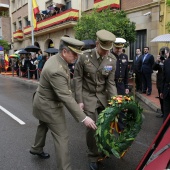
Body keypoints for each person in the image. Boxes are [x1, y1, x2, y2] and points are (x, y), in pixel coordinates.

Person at [30, 36, 97, 170]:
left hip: (42, 101)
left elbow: (66, 87)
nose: (77, 57)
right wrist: (84, 117)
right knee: (62, 137)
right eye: (74, 54)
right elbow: (65, 96)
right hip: (49, 106)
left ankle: (36, 148)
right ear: (65, 51)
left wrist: (79, 100)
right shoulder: (57, 70)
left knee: (43, 125)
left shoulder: (57, 59)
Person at [73, 29, 117, 170]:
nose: (106, 52)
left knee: (107, 123)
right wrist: (79, 100)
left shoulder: (112, 59)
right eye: (104, 49)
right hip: (88, 95)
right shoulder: (84, 57)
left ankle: (105, 148)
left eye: (108, 49)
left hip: (103, 96)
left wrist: (115, 101)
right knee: (92, 126)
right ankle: (93, 155)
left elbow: (110, 83)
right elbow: (77, 78)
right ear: (97, 44)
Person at [153, 48, 166, 118]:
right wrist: (157, 62)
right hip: (160, 83)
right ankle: (163, 113)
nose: (162, 55)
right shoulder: (159, 62)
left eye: (163, 53)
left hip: (167, 84)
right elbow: (154, 68)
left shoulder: (167, 61)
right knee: (161, 99)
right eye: (161, 53)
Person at [160, 47, 170, 122]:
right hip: (167, 90)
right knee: (166, 111)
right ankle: (164, 131)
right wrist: (162, 91)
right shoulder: (167, 62)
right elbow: (163, 78)